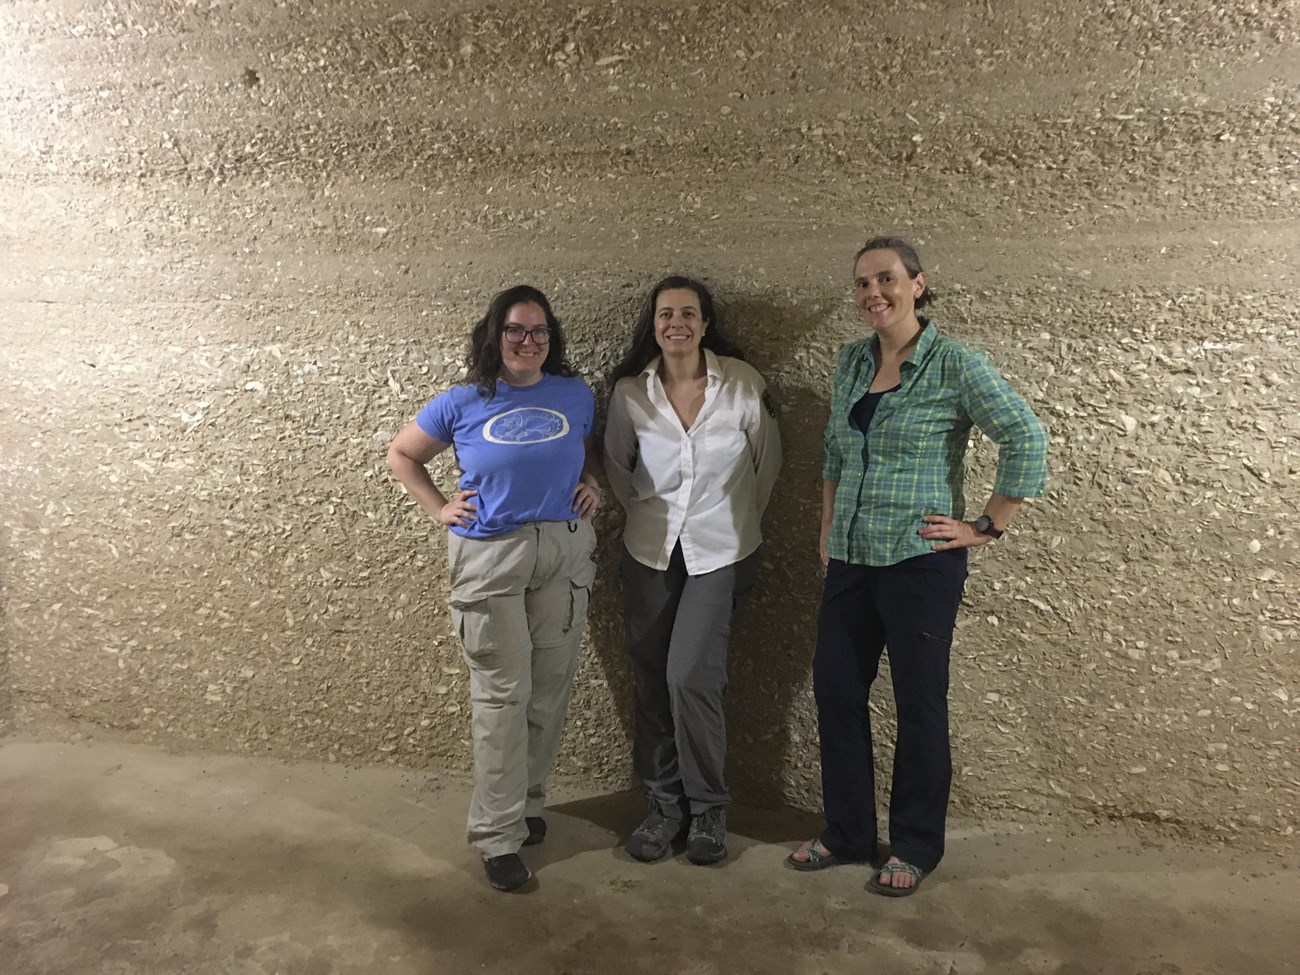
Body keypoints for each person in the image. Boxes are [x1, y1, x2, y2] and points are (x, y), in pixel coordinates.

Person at [785, 237, 1048, 896]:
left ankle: (914, 843)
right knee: (837, 691)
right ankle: (847, 830)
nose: (873, 292)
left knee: (919, 703)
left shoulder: (954, 362)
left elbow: (1025, 435)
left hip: (918, 561)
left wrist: (985, 526)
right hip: (851, 556)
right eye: (862, 283)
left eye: (886, 279)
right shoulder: (851, 361)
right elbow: (834, 458)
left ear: (918, 284)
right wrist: (826, 529)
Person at [387, 285, 602, 893]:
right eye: (515, 330)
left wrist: (592, 481)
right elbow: (403, 454)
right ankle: (497, 836)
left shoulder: (575, 394)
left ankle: (528, 803)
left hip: (561, 551)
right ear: (495, 336)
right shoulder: (463, 401)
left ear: (550, 339)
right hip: (492, 557)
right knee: (503, 699)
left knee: (548, 691)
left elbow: (585, 450)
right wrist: (436, 508)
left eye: (538, 332)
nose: (528, 341)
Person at [604, 275, 782, 865]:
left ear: (706, 323)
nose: (675, 323)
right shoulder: (631, 393)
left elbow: (766, 466)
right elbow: (618, 470)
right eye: (664, 314)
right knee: (652, 680)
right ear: (652, 325)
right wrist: (652, 519)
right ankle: (662, 805)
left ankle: (707, 809)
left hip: (721, 554)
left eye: (688, 313)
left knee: (690, 678)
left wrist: (732, 527)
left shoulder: (742, 384)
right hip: (649, 553)